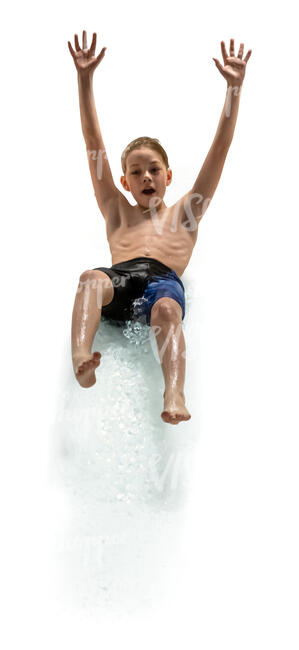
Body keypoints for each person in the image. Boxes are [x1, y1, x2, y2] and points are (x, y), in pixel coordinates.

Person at [67, 31, 252, 425]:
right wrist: (84, 80)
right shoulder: (117, 211)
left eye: (154, 170)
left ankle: (174, 392)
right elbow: (92, 144)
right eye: (136, 172)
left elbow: (219, 150)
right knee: (88, 278)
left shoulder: (187, 212)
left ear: (168, 176)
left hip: (161, 285)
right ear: (124, 182)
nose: (146, 177)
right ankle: (82, 356)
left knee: (168, 308)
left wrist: (233, 91)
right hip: (119, 281)